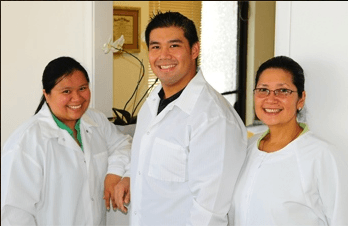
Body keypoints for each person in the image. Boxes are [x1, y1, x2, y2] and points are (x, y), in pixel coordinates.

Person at [113, 11, 247, 225]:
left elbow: (210, 210)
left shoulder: (213, 118)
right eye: (156, 47)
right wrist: (131, 176)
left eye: (174, 46)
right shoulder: (152, 103)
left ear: (194, 50)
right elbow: (150, 158)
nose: (164, 56)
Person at [1, 56, 132, 225]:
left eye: (82, 88)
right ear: (46, 95)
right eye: (66, 91)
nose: (77, 98)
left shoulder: (96, 120)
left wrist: (114, 172)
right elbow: (14, 213)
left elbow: (122, 145)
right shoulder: (26, 141)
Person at [229, 56, 348, 225]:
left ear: (301, 98)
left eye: (283, 91)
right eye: (263, 89)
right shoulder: (244, 148)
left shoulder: (322, 156)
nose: (271, 99)